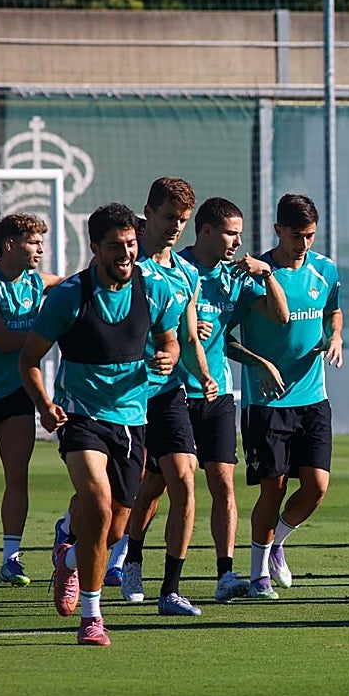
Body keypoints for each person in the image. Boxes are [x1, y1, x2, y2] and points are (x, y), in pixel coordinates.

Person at [19, 203, 179, 646]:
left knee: (112, 527)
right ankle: (92, 617)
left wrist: (170, 355)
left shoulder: (156, 289)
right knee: (97, 501)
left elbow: (170, 339)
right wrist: (44, 404)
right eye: (116, 247)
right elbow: (29, 360)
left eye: (131, 244)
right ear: (95, 248)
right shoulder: (70, 296)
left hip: (132, 419)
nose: (126, 254)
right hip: (82, 417)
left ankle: (69, 559)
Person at [230, 193, 342, 600]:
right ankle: (258, 574)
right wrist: (259, 362)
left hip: (313, 396)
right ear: (279, 230)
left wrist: (336, 337)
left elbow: (333, 310)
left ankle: (277, 543)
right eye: (297, 236)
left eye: (311, 236)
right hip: (267, 402)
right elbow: (224, 338)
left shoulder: (326, 268)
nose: (304, 244)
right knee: (272, 488)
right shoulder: (251, 275)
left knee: (316, 487)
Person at [180, 197, 289, 601]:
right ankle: (128, 558)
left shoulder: (233, 277)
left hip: (218, 393)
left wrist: (269, 274)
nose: (237, 241)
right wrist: (182, 328)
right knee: (160, 485)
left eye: (240, 233)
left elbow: (279, 316)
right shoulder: (175, 269)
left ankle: (226, 575)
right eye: (230, 232)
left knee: (223, 483)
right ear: (206, 230)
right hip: (170, 392)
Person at [116, 178, 217, 617]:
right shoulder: (123, 264)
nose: (175, 227)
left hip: (169, 392)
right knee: (117, 498)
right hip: (121, 394)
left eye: (182, 220)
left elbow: (189, 335)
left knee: (183, 478)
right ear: (148, 213)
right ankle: (102, 547)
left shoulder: (186, 272)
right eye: (168, 218)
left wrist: (205, 375)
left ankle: (170, 590)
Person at [0, 214, 61, 586]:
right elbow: (5, 340)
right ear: (10, 245)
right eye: (33, 241)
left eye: (41, 241)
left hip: (14, 395)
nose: (41, 248)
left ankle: (12, 559)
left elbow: (78, 283)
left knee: (17, 476)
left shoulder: (39, 282)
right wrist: (50, 328)